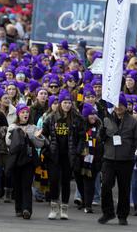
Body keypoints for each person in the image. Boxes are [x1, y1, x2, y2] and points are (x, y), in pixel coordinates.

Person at [98, 93, 137, 226]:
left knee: (124, 189)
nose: (118, 107)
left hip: (126, 160)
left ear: (126, 106)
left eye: (121, 105)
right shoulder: (107, 120)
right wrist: (101, 134)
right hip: (109, 158)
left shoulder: (133, 122)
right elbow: (100, 137)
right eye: (116, 105)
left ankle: (122, 215)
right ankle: (108, 212)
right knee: (106, 185)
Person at [43, 89, 83, 220]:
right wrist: (47, 146)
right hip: (54, 154)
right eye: (64, 102)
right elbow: (43, 134)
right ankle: (54, 208)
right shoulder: (51, 118)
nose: (67, 105)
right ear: (60, 103)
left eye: (69, 102)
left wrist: (77, 151)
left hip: (69, 155)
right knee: (53, 181)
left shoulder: (77, 118)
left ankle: (64, 208)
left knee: (66, 181)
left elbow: (82, 137)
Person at [5, 103, 45, 219]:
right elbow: (8, 142)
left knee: (26, 185)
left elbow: (40, 144)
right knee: (17, 185)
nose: (25, 114)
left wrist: (33, 136)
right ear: (18, 114)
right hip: (16, 160)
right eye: (22, 112)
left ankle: (27, 209)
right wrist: (19, 135)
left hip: (29, 160)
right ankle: (18, 209)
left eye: (27, 112)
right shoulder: (13, 127)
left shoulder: (33, 127)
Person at [75, 104, 103, 214]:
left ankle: (88, 205)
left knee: (89, 183)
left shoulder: (100, 127)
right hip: (79, 158)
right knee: (79, 182)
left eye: (95, 114)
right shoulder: (79, 127)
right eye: (91, 114)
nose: (93, 116)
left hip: (93, 160)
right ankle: (84, 200)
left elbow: (102, 143)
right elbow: (74, 141)